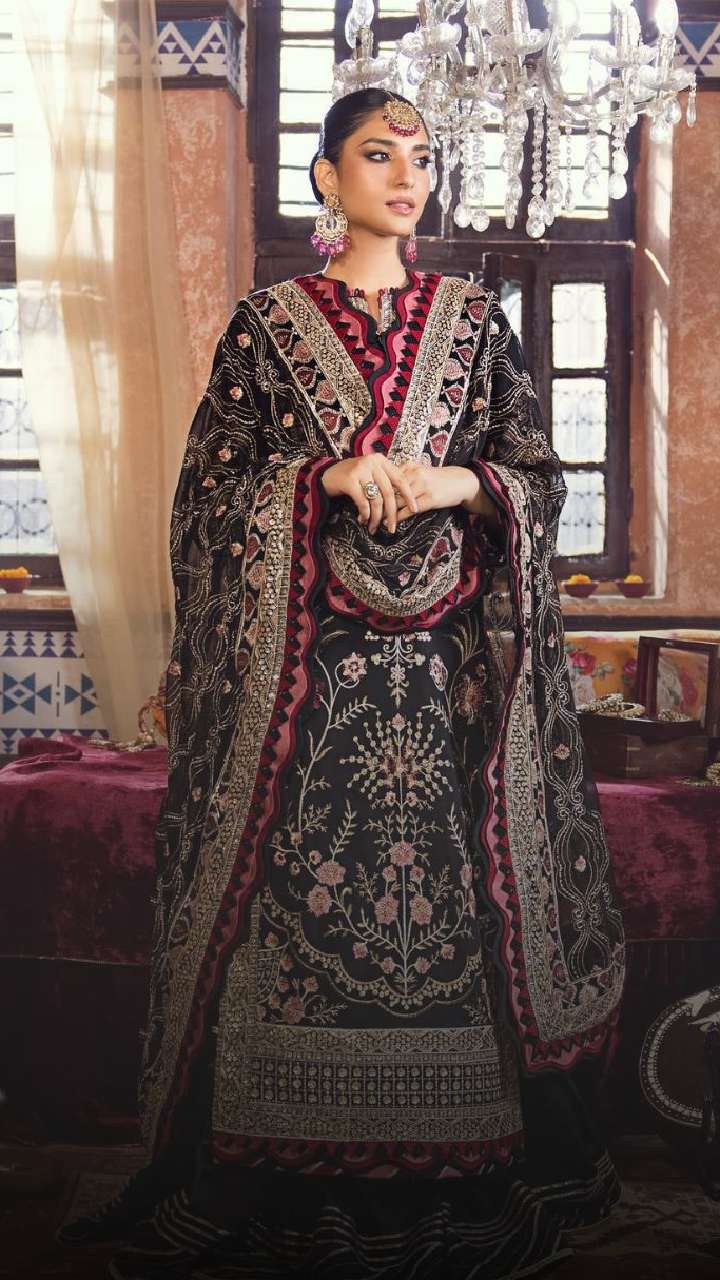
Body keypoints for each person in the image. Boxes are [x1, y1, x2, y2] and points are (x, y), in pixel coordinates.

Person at [59, 87, 626, 1280]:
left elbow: (538, 476)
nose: (407, 176)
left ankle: (457, 1167)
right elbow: (210, 498)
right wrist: (319, 476)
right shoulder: (267, 326)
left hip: (445, 696)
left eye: (422, 157)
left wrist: (460, 484)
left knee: (446, 917)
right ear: (326, 177)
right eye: (378, 154)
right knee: (302, 911)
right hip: (303, 706)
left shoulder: (475, 322)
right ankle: (278, 1172)